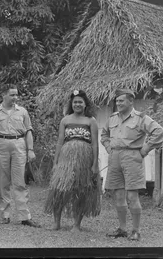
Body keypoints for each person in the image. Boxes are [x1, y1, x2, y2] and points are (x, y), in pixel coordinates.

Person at [101, 88, 163, 241]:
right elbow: (104, 134)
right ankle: (122, 229)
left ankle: (136, 230)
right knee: (118, 195)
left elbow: (159, 132)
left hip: (132, 157)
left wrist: (145, 148)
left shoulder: (140, 118)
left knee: (132, 196)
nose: (118, 103)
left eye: (121, 100)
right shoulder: (112, 118)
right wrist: (108, 146)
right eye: (117, 101)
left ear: (131, 101)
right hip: (115, 156)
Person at [44, 89, 101, 231]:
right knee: (59, 189)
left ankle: (76, 224)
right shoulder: (65, 119)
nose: (77, 104)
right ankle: (56, 223)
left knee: (81, 190)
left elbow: (94, 143)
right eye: (75, 102)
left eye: (80, 102)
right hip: (66, 158)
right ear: (71, 104)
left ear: (85, 104)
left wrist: (94, 164)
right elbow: (59, 142)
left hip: (84, 158)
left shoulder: (91, 120)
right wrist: (56, 162)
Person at [0, 84, 41, 228]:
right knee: (3, 182)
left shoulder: (22, 111)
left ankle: (24, 217)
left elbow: (29, 131)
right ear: (3, 95)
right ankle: (4, 215)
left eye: (16, 95)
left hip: (19, 144)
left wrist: (30, 150)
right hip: (1, 145)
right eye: (12, 95)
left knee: (20, 182)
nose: (15, 97)